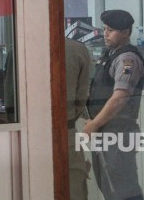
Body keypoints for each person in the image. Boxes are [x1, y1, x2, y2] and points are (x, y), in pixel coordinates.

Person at [84, 9, 144, 200]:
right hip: (106, 132)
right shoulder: (111, 55)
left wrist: (93, 125)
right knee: (110, 188)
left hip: (118, 133)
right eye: (104, 29)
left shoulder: (127, 59)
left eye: (111, 30)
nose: (105, 33)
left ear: (126, 32)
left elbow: (120, 97)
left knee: (123, 190)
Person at [65, 38, 90, 200]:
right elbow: (82, 96)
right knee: (74, 187)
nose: (106, 34)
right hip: (67, 129)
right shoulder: (78, 49)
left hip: (26, 135)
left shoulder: (18, 47)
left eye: (111, 30)